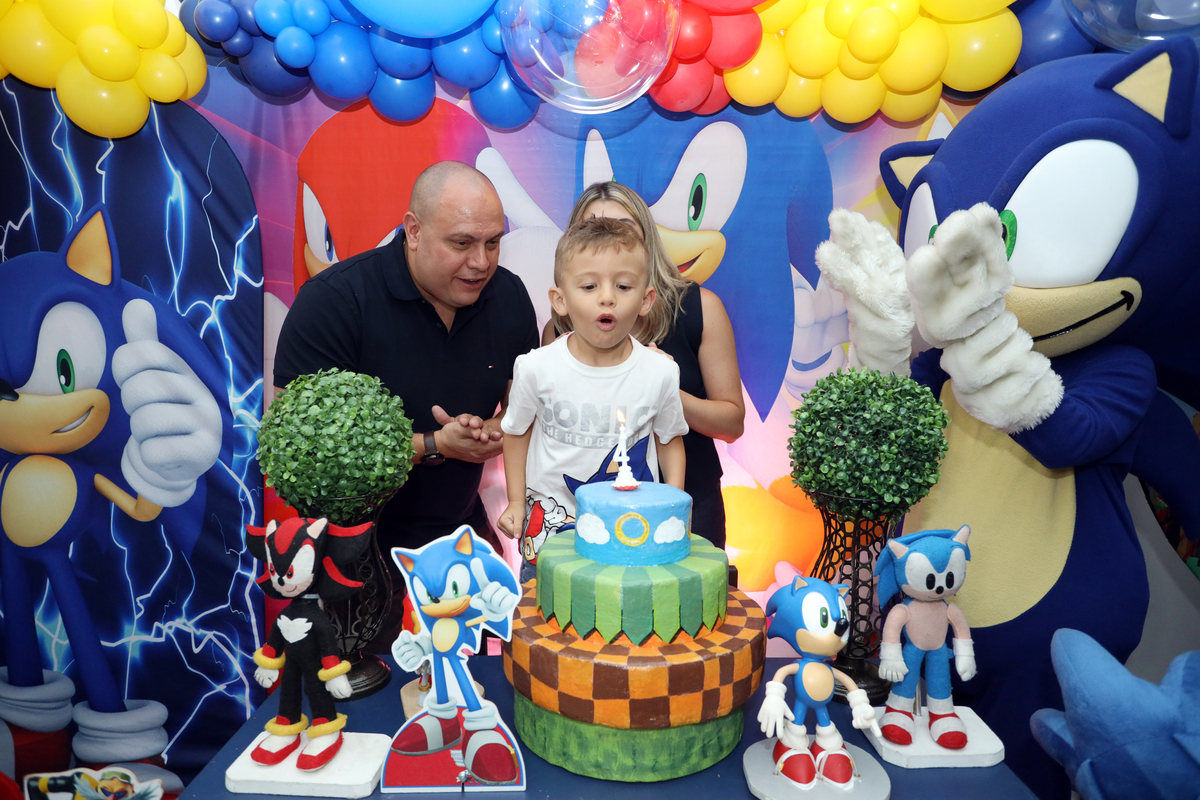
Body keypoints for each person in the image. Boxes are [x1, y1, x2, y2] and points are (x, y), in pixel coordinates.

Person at [273, 160, 539, 561]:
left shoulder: (509, 296)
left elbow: (526, 408)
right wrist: (434, 445)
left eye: (492, 243)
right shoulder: (334, 300)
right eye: (462, 243)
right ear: (414, 231)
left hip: (463, 537)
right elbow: (297, 446)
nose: (481, 262)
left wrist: (488, 433)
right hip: (351, 552)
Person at [545, 182, 743, 549]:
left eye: (623, 226)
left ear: (647, 238)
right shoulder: (560, 328)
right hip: (590, 506)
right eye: (594, 227)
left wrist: (663, 389)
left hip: (688, 500)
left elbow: (732, 424)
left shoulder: (700, 307)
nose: (609, 238)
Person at [499, 217, 688, 580]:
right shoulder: (535, 367)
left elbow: (669, 440)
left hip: (631, 532)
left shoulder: (660, 372)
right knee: (544, 611)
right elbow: (516, 432)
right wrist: (516, 501)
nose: (607, 297)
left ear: (646, 300)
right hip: (551, 530)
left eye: (623, 286)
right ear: (560, 300)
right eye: (589, 286)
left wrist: (674, 508)